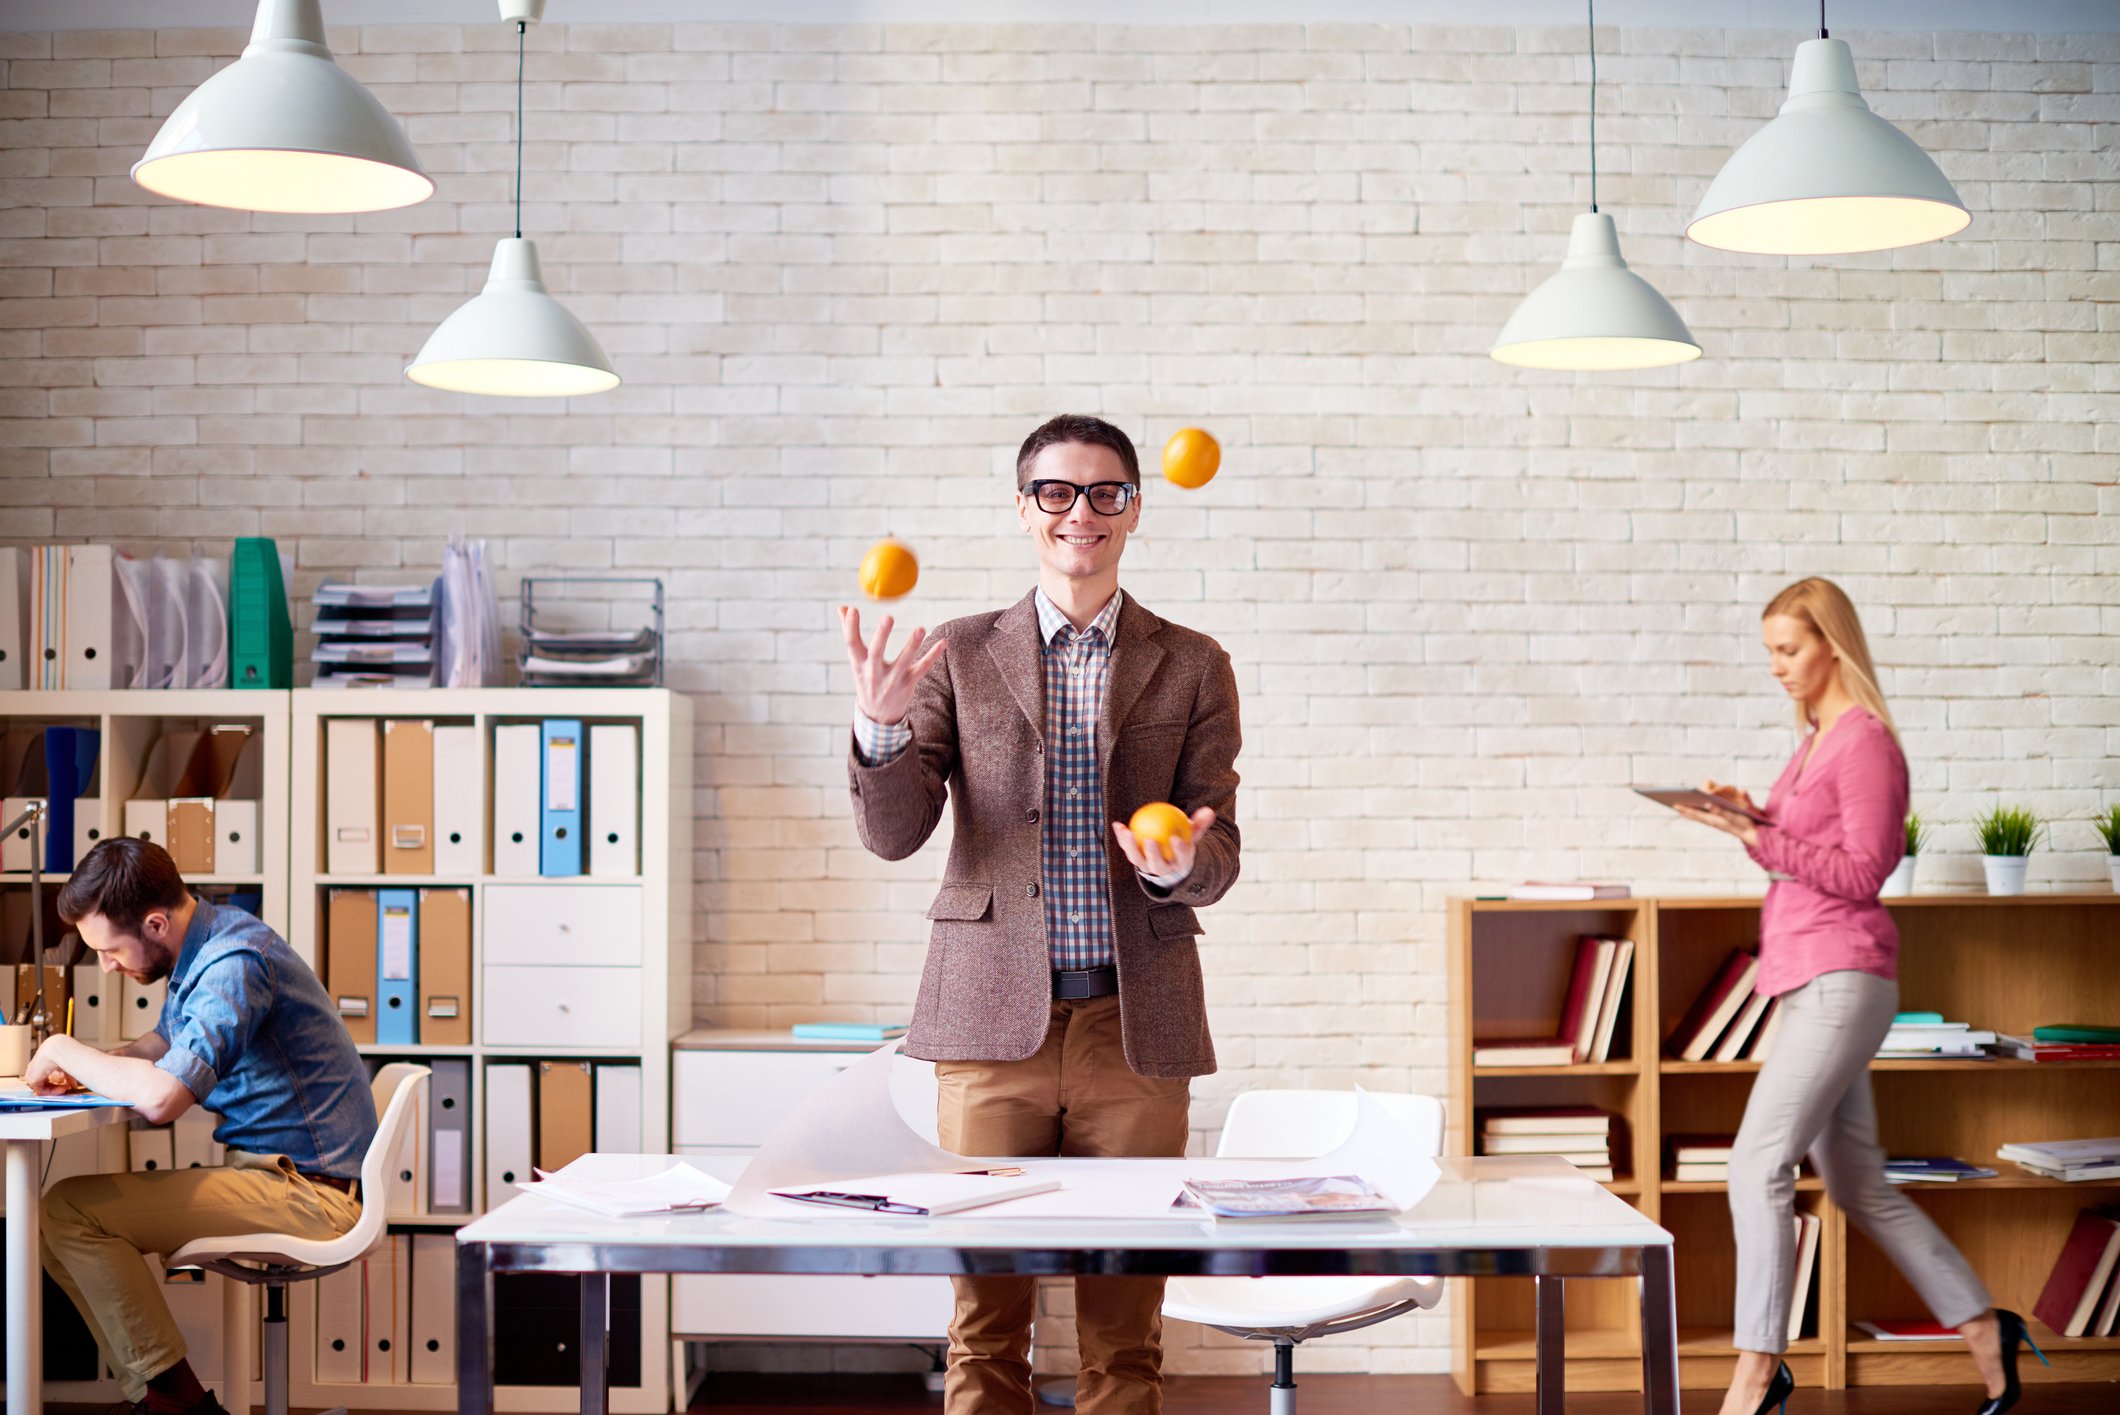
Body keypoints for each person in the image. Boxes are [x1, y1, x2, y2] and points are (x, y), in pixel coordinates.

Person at [838, 413, 1242, 1415]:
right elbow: (893, 835)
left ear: (1134, 509)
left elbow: (1217, 850)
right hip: (986, 1028)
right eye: (1056, 492)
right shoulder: (955, 653)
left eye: (1106, 492)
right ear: (1024, 510)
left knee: (1123, 1334)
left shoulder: (1191, 661)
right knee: (982, 1332)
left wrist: (1177, 863)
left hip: (1132, 1024)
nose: (1081, 512)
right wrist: (878, 731)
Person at [1677, 578, 2040, 1415]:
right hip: (1806, 977)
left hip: (1844, 977)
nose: (1776, 666)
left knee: (1756, 1162)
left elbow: (1863, 873)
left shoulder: (1865, 742)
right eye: (1769, 650)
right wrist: (1752, 817)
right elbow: (1799, 852)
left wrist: (1759, 833)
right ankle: (1987, 1325)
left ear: (1832, 644)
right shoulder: (1812, 743)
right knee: (1857, 1182)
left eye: (1788, 648)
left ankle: (1757, 1374)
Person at [29, 838, 377, 1415]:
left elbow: (163, 1098)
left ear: (156, 923)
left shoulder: (233, 964)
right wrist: (89, 1064)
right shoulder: (214, 938)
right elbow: (161, 1045)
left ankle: (175, 1405)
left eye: (110, 951)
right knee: (51, 1222)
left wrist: (63, 1046)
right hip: (284, 1178)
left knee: (69, 1212)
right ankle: (163, 1398)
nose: (106, 967)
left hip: (308, 1194)